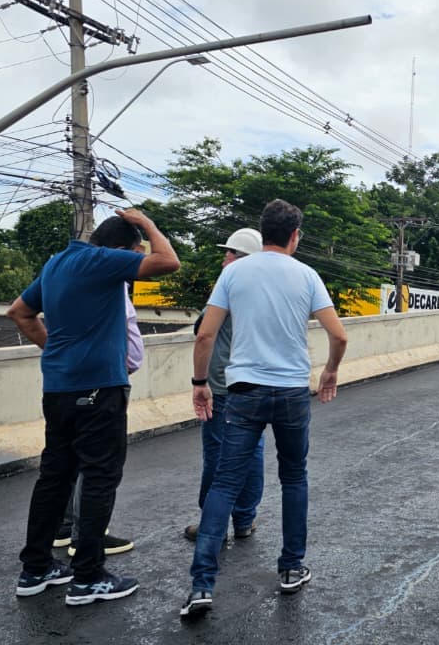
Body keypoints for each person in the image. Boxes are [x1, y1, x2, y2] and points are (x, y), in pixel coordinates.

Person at [180, 199, 348, 619]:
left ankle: (201, 585)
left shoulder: (234, 273)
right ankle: (291, 568)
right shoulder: (307, 275)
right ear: (295, 236)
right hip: (291, 392)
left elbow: (205, 336)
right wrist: (329, 371)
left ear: (263, 231)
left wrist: (200, 384)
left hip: (242, 391)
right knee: (294, 477)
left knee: (224, 482)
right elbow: (340, 336)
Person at [8, 210, 179, 606]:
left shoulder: (57, 263)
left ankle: (35, 568)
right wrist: (149, 224)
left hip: (59, 388)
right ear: (122, 249)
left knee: (55, 477)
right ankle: (88, 577)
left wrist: (56, 351)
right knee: (100, 477)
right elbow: (168, 261)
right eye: (133, 253)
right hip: (100, 388)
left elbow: (18, 312)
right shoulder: (103, 261)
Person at [53, 254, 146, 558]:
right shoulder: (104, 280)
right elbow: (167, 261)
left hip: (77, 379)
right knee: (97, 466)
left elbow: (21, 311)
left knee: (76, 459)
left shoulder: (67, 274)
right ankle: (86, 538)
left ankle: (65, 527)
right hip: (103, 380)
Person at [182, 228, 265, 543]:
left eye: (229, 253)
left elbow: (203, 333)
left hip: (223, 385)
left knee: (218, 453)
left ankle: (211, 526)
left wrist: (198, 381)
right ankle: (245, 520)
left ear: (241, 258)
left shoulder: (230, 287)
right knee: (253, 451)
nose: (223, 259)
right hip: (257, 383)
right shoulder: (266, 289)